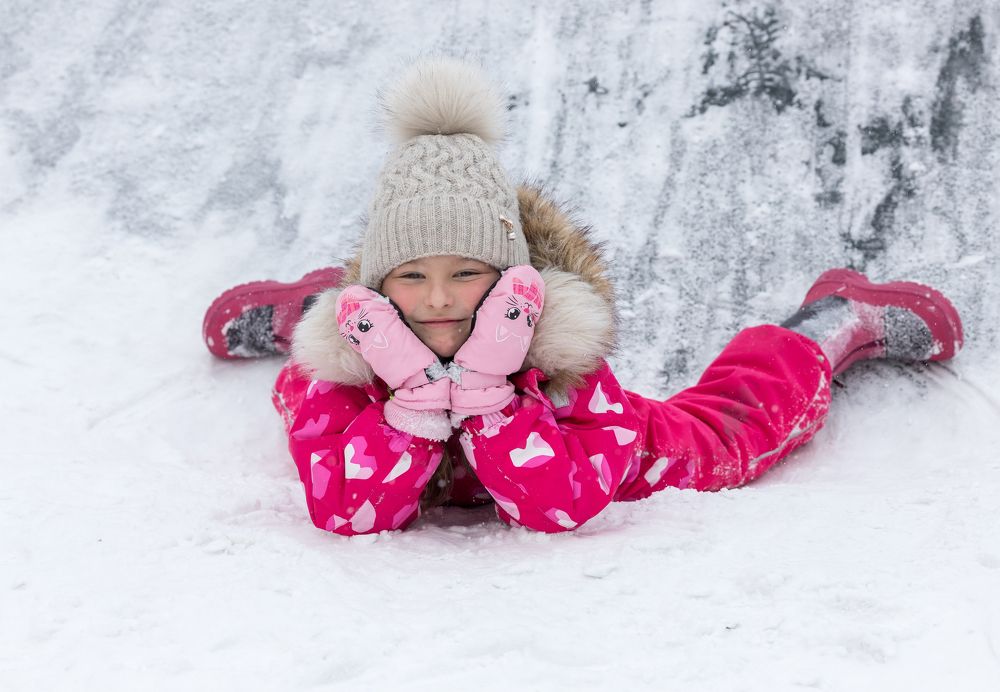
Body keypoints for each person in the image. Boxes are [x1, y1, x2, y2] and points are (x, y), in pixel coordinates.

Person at [202, 58, 964, 536]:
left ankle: (831, 323)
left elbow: (557, 506)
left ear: (507, 280)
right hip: (368, 369)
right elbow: (349, 511)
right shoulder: (333, 375)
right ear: (376, 287)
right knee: (310, 369)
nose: (438, 298)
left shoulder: (558, 357)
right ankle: (305, 307)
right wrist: (406, 397)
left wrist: (494, 397)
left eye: (466, 273)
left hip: (553, 425)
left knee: (725, 442)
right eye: (410, 275)